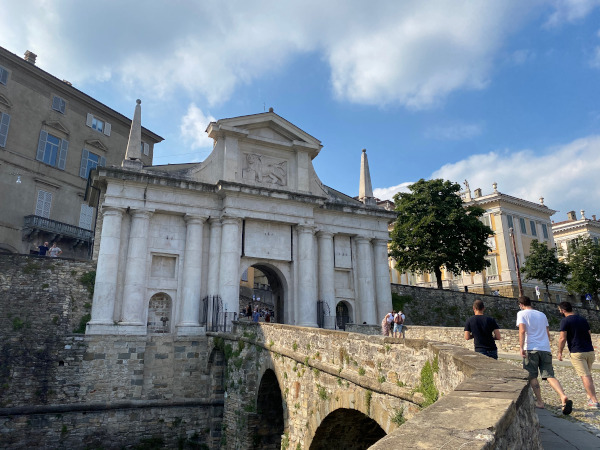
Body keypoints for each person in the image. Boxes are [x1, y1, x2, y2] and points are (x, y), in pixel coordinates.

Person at [517, 296, 572, 414]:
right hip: (545, 348)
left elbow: (522, 331)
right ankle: (562, 395)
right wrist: (546, 345)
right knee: (549, 375)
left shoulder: (521, 314)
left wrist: (521, 347)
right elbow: (547, 333)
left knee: (532, 376)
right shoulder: (542, 315)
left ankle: (540, 402)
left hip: (531, 348)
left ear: (521, 305)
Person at [557, 301, 599, 409]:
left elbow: (562, 338)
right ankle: (590, 397)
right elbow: (589, 333)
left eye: (560, 310)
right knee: (588, 375)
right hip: (589, 351)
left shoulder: (565, 321)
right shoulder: (582, 319)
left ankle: (594, 401)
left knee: (585, 376)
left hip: (577, 352)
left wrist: (560, 352)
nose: (559, 312)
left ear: (563, 310)